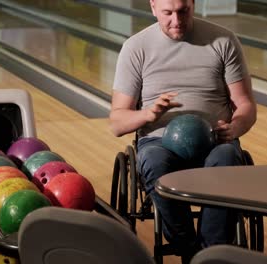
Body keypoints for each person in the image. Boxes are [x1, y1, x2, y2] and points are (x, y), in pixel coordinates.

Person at [109, 0, 257, 262]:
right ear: (153, 6)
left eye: (183, 11)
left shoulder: (223, 40)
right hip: (158, 143)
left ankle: (210, 253)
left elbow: (245, 104)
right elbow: (117, 122)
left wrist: (235, 127)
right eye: (167, 13)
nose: (176, 20)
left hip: (216, 141)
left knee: (227, 158)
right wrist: (149, 114)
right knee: (154, 162)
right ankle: (188, 248)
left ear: (193, 4)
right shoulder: (135, 47)